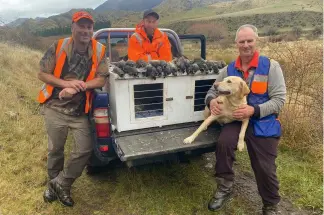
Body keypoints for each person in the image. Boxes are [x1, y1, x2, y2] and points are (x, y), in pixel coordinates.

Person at [205, 24, 286, 215]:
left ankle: (270, 204)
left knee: (264, 165)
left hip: (262, 121)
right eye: (242, 41)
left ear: (256, 41)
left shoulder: (271, 67)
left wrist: (254, 109)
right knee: (224, 145)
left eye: (250, 41)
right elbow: (211, 90)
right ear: (237, 44)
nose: (246, 45)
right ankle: (224, 188)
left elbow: (279, 101)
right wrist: (211, 103)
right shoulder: (228, 69)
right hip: (235, 119)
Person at [37, 11, 109, 207]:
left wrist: (80, 86)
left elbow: (102, 78)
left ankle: (61, 183)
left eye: (89, 27)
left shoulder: (100, 50)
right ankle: (56, 187)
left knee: (84, 150)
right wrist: (63, 85)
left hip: (79, 111)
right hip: (55, 107)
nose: (85, 31)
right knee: (56, 150)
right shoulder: (59, 46)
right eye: (81, 26)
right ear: (73, 28)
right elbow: (43, 73)